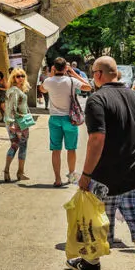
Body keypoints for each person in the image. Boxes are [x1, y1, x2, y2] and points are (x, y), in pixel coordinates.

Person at [70, 56, 135, 270]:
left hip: (103, 176)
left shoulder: (97, 100)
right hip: (134, 173)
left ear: (98, 75)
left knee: (96, 220)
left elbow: (97, 138)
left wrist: (86, 174)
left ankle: (91, 262)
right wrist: (132, 152)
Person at [40, 57, 92, 187]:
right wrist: (73, 72)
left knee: (56, 150)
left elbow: (42, 89)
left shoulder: (48, 81)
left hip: (54, 119)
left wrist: (51, 74)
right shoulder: (71, 80)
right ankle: (71, 176)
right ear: (65, 68)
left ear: (54, 68)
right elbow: (88, 87)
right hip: (70, 119)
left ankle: (57, 179)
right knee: (71, 149)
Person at [3, 68, 32, 182]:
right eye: (18, 76)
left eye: (22, 76)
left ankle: (15, 171)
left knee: (17, 146)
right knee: (19, 146)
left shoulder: (19, 90)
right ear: (13, 78)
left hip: (20, 122)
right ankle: (15, 172)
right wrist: (12, 123)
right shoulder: (14, 90)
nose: (21, 78)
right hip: (17, 123)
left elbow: (22, 105)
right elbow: (11, 108)